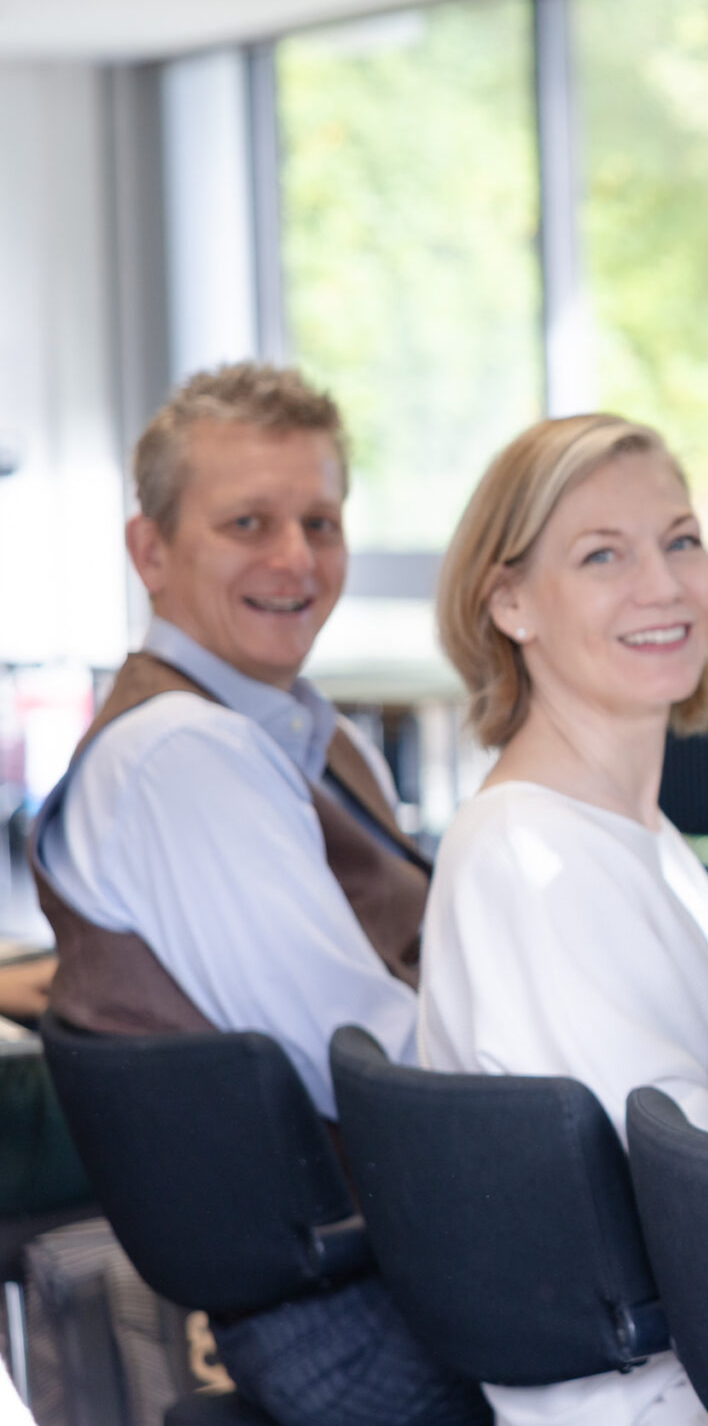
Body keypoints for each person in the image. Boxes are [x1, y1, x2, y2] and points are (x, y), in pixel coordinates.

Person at [30, 362, 484, 1426]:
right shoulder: (184, 756)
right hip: (369, 1320)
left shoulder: (290, 731)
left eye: (319, 521)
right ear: (151, 551)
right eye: (247, 522)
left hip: (386, 1284)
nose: (296, 559)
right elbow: (365, 1058)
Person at [422, 415, 708, 1426]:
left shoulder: (640, 839)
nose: (662, 586)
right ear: (509, 601)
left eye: (680, 539)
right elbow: (694, 1203)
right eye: (601, 555)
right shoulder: (530, 861)